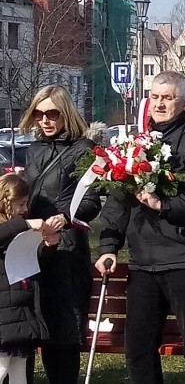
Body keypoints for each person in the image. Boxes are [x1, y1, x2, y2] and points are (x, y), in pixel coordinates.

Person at [95, 71, 185, 384]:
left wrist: (164, 205)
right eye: (155, 96)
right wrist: (109, 246)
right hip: (143, 264)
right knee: (138, 350)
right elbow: (118, 199)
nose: (159, 104)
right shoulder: (135, 144)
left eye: (168, 98)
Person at [19, 85, 102, 384]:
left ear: (66, 113)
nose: (45, 120)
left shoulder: (83, 149)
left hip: (66, 251)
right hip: (31, 247)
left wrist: (64, 219)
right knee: (25, 328)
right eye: (39, 114)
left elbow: (92, 201)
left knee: (63, 333)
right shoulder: (34, 149)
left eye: (52, 113)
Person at [0, 174, 59, 383]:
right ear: (5, 201)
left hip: (21, 308)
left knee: (19, 371)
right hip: (4, 312)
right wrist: (24, 224)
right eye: (20, 204)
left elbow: (33, 260)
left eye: (26, 203)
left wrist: (49, 245)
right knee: (2, 366)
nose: (25, 209)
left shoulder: (18, 227)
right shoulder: (12, 226)